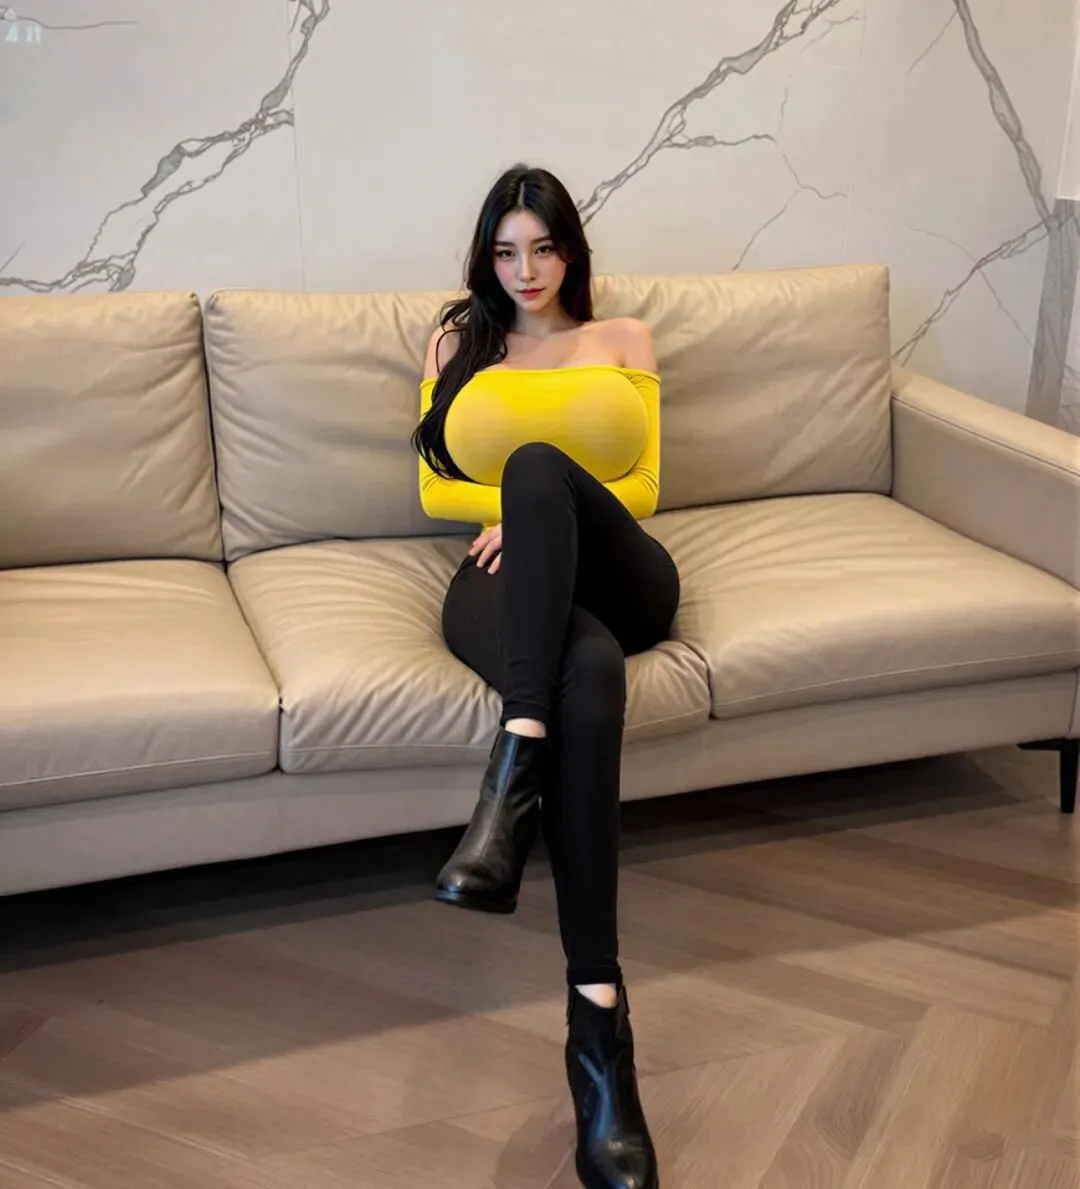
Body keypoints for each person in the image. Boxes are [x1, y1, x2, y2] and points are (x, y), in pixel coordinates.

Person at [412, 163, 679, 1189]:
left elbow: (643, 484)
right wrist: (511, 522)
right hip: (507, 579)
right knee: (591, 671)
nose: (525, 271)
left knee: (535, 465)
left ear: (571, 249)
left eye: (544, 247)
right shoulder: (457, 345)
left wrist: (537, 505)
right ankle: (599, 1031)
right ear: (487, 258)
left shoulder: (624, 340)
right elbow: (432, 482)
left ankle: (510, 771)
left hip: (623, 570)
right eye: (505, 251)